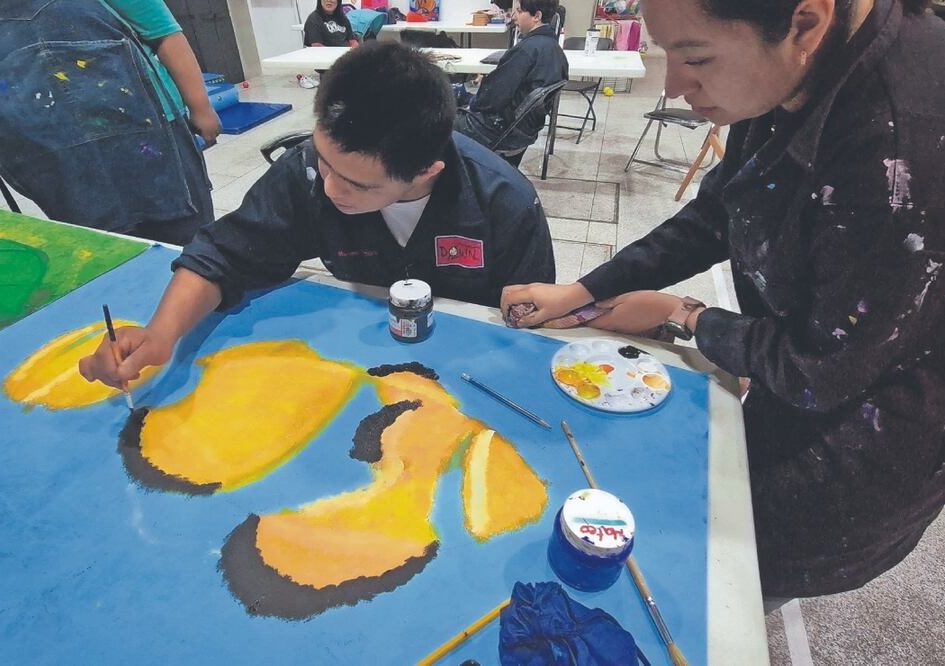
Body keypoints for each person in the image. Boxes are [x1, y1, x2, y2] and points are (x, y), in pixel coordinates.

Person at [503, 0, 944, 608]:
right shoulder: (790, 69)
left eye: (697, 58)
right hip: (793, 380)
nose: (676, 87)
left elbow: (820, 369)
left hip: (857, 446)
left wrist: (684, 315)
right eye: (667, 53)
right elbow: (719, 211)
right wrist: (584, 290)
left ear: (804, 24)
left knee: (711, 595)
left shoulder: (900, 148)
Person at [79, 42, 556, 387]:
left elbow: (538, 332)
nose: (328, 190)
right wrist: (161, 334)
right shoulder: (309, 170)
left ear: (427, 170)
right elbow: (224, 254)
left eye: (356, 183)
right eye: (325, 162)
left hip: (465, 382)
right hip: (352, 370)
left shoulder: (505, 203)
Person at [0, 0, 220, 245]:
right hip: (49, 151)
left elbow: (165, 35)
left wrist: (200, 107)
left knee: (185, 242)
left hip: (146, 135)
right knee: (104, 247)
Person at [454, 0, 568, 166]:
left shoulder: (525, 50)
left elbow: (489, 101)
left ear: (537, 16)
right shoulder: (556, 51)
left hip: (500, 130)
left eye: (520, 11)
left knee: (437, 119)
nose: (514, 16)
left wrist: (471, 101)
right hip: (524, 130)